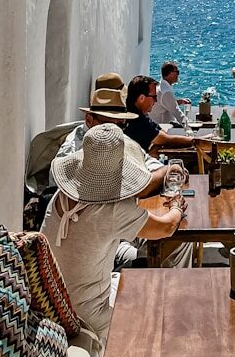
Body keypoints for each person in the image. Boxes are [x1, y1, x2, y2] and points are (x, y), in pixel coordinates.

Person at [43, 124, 187, 342]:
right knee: (160, 300)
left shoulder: (60, 196)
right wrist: (177, 207)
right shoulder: (111, 210)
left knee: (131, 261)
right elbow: (166, 227)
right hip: (87, 314)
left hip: (52, 300)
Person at [124, 75, 196, 157]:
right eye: (154, 97)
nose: (156, 100)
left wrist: (155, 145)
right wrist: (196, 141)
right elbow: (165, 139)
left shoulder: (141, 116)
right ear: (141, 98)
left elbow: (162, 134)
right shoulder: (136, 121)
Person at [150, 61, 192, 128]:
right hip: (164, 127)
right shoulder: (166, 92)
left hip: (156, 125)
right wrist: (190, 127)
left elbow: (164, 104)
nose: (178, 75)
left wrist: (178, 102)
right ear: (170, 73)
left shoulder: (160, 86)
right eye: (177, 72)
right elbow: (177, 113)